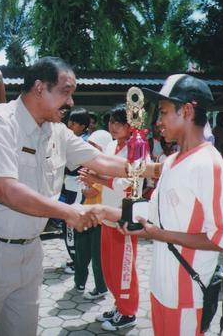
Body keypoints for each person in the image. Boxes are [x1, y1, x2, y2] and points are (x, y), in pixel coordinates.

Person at [0, 56, 161, 336]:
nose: (71, 102)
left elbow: (100, 160)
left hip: (31, 254)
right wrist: (69, 212)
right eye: (65, 92)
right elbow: (6, 191)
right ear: (39, 88)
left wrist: (156, 169)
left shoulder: (56, 131)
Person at [119, 74, 223, 336]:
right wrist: (99, 212)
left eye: (162, 112)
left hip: (187, 296)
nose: (157, 122)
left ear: (186, 110)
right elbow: (152, 214)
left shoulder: (208, 163)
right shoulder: (172, 161)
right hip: (161, 289)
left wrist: (157, 234)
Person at [79, 104, 153, 331]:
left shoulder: (138, 149)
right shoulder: (111, 145)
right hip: (107, 214)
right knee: (109, 267)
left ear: (131, 125)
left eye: (118, 122)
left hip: (124, 217)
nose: (113, 126)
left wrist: (98, 179)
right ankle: (119, 304)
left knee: (124, 269)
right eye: (111, 121)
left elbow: (131, 185)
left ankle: (128, 312)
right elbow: (105, 171)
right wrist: (91, 177)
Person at [75, 129, 113, 299]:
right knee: (82, 252)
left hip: (99, 219)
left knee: (98, 257)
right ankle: (79, 282)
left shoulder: (104, 169)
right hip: (87, 214)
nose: (89, 148)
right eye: (88, 144)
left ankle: (101, 287)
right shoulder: (90, 166)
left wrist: (86, 183)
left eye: (94, 145)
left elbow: (89, 192)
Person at [59, 107, 91, 275]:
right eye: (69, 121)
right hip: (69, 187)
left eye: (74, 122)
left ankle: (77, 261)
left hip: (77, 187)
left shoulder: (83, 142)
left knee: (71, 223)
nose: (70, 124)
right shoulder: (71, 139)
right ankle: (75, 258)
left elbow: (70, 166)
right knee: (68, 224)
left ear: (83, 126)